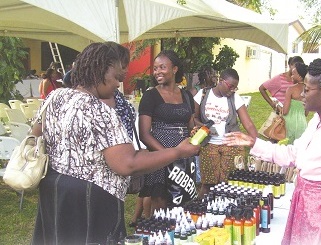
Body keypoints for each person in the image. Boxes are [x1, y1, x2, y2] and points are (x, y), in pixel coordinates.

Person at [30, 42, 199, 245]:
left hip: (55, 192)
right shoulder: (99, 109)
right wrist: (178, 152)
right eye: (117, 78)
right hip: (91, 199)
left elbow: (36, 135)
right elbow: (127, 163)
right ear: (99, 69)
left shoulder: (55, 97)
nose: (118, 85)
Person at [224, 58, 321, 245]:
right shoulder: (316, 121)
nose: (301, 95)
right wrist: (254, 143)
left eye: (306, 89)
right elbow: (294, 154)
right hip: (308, 211)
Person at [138, 50, 195, 214]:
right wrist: (168, 156)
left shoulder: (186, 95)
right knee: (161, 208)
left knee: (183, 203)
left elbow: (190, 126)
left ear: (175, 69)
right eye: (155, 68)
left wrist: (196, 131)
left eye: (162, 67)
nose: (157, 72)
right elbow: (144, 134)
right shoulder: (150, 96)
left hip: (184, 159)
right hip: (160, 159)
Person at [193, 68, 258, 198]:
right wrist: (204, 127)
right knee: (208, 184)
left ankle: (226, 212)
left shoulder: (235, 98)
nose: (232, 90)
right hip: (208, 145)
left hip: (231, 146)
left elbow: (248, 124)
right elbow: (193, 118)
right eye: (231, 86)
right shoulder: (203, 94)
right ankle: (201, 211)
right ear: (221, 81)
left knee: (228, 184)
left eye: (235, 88)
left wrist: (257, 144)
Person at [282, 62, 308, 144]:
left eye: (293, 74)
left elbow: (285, 112)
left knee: (287, 148)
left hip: (289, 124)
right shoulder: (309, 90)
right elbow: (306, 113)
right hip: (302, 124)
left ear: (300, 76)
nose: (291, 76)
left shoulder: (290, 89)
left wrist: (277, 106)